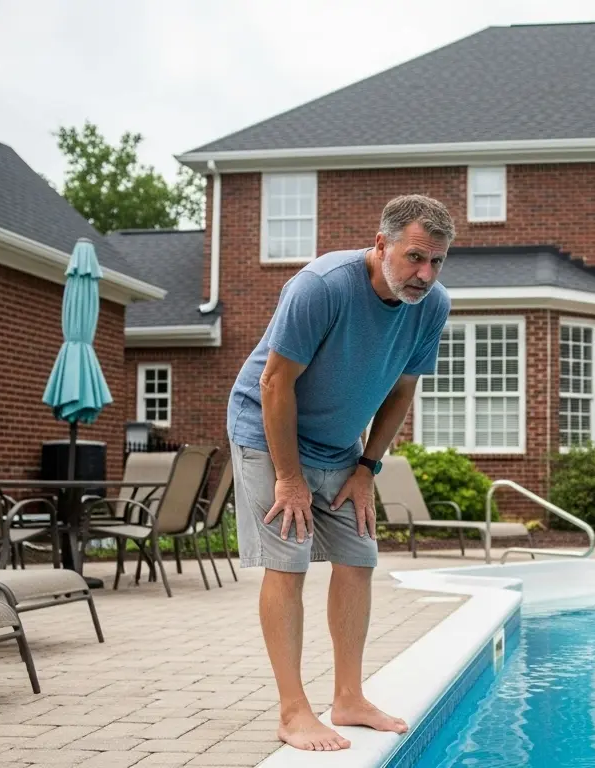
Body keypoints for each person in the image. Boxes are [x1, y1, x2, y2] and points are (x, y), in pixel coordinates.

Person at [226, 194, 454, 751]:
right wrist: (289, 478)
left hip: (341, 445)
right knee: (289, 562)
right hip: (269, 431)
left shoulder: (433, 304)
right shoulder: (321, 286)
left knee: (358, 558)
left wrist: (368, 468)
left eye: (437, 262)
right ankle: (292, 710)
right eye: (415, 258)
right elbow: (274, 385)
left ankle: (348, 696)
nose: (425, 274)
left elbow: (403, 389)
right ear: (381, 245)